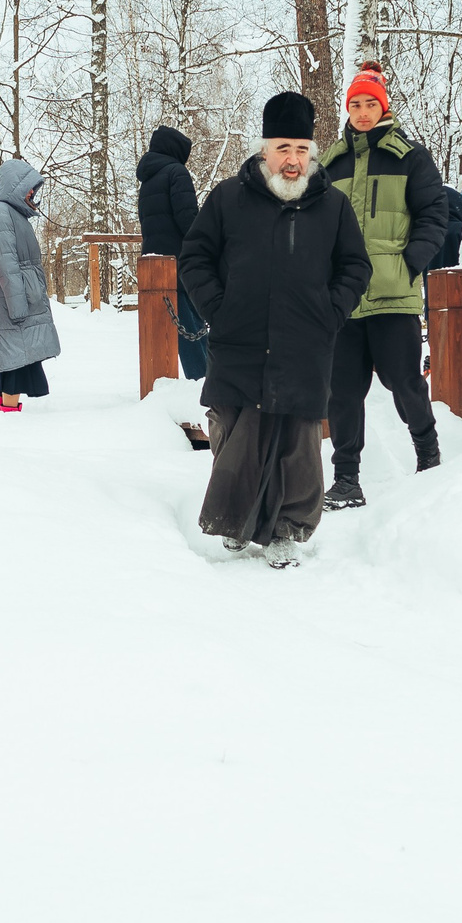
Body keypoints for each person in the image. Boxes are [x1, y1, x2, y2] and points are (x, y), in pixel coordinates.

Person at [180, 91, 371, 568]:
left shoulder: (332, 206)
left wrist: (330, 312)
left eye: (301, 150)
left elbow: (355, 266)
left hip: (304, 345)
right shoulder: (228, 197)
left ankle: (287, 528)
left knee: (297, 441)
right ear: (265, 149)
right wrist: (219, 309)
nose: (292, 160)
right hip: (239, 340)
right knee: (233, 431)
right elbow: (195, 257)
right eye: (283, 148)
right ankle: (236, 521)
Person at [318, 62, 448, 509]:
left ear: (383, 105)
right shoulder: (329, 163)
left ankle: (429, 459)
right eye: (355, 104)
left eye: (370, 103)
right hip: (344, 299)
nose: (362, 112)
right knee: (343, 392)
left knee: (404, 382)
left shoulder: (409, 156)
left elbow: (435, 214)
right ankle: (346, 480)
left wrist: (410, 262)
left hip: (393, 293)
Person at [0, 159, 60, 411]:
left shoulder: (13, 213)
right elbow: (6, 263)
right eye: (28, 187)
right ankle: (7, 414)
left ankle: (1, 409)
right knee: (13, 360)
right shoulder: (0, 214)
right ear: (14, 185)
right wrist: (17, 305)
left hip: (20, 296)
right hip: (12, 301)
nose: (31, 193)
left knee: (16, 358)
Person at [136, 126, 208, 378]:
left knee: (167, 327)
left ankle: (163, 381)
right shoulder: (176, 172)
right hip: (181, 261)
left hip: (155, 262)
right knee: (192, 324)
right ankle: (201, 379)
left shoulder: (148, 178)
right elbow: (187, 217)